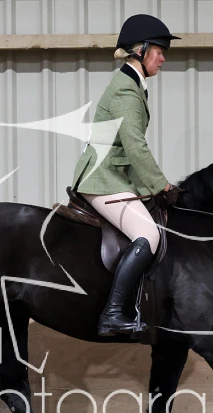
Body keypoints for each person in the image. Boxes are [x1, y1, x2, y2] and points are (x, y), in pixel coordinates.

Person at [71, 13, 181, 337]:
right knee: (149, 234)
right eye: (158, 50)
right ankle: (113, 313)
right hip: (101, 178)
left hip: (114, 175)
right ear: (140, 50)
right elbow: (134, 145)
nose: (163, 58)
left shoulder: (133, 85)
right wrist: (161, 185)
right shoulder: (126, 91)